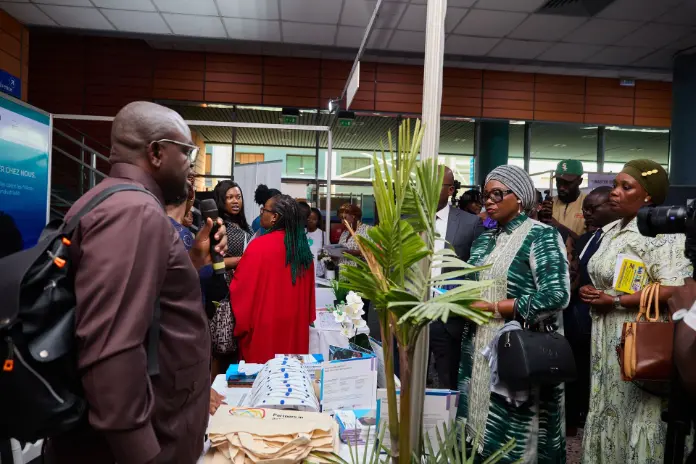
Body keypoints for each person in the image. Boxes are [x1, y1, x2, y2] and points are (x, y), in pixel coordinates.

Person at [45, 101, 228, 464]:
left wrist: (192, 262)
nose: (191, 165)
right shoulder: (136, 212)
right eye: (186, 152)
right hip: (145, 441)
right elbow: (111, 349)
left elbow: (142, 300)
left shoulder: (109, 199)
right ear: (156, 152)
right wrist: (141, 453)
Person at [578, 160, 692, 463]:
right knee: (607, 404)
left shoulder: (663, 234)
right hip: (606, 337)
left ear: (648, 196)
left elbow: (676, 289)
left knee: (638, 410)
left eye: (625, 187)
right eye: (615, 185)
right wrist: (591, 291)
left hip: (640, 335)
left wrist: (616, 301)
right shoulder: (611, 230)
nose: (614, 192)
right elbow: (606, 278)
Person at [457, 164, 570, 463]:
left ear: (519, 197)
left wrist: (496, 308)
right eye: (485, 195)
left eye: (497, 194)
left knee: (515, 439)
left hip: (517, 351)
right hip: (478, 348)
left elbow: (556, 296)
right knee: (478, 429)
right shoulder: (484, 239)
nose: (488, 201)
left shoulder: (541, 236)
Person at [230, 194, 315, 363]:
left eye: (264, 210)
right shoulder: (302, 250)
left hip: (265, 328)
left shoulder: (259, 246)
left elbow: (241, 291)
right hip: (294, 327)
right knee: (291, 374)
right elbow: (309, 302)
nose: (261, 213)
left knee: (264, 374)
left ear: (275, 217)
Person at [563, 186, 618, 436]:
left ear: (611, 206)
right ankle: (573, 415)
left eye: (592, 208)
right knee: (574, 366)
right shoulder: (586, 239)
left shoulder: (618, 240)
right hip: (577, 315)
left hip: (605, 314)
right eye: (585, 209)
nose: (586, 213)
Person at [430, 167, 485, 390]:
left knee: (448, 382)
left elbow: (476, 270)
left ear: (450, 190)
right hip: (412, 315)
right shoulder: (409, 220)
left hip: (448, 318)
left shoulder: (470, 223)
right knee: (407, 381)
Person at [540, 159, 587, 240]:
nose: (561, 187)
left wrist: (556, 225)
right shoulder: (549, 204)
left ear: (580, 181)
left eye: (567, 183)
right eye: (558, 182)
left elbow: (591, 242)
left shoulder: (589, 203)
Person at [214, 180, 253, 273]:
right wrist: (243, 260)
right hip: (225, 279)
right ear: (221, 200)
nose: (235, 201)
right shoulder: (216, 225)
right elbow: (209, 262)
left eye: (238, 197)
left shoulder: (245, 225)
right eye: (230, 197)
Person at [338, 204, 371, 270]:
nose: (342, 222)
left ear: (353, 216)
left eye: (344, 218)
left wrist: (354, 252)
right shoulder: (344, 233)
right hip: (343, 274)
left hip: (359, 274)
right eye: (341, 219)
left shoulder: (368, 230)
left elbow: (374, 253)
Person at [307, 207, 325, 277]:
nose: (311, 221)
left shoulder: (323, 234)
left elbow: (327, 253)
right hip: (304, 270)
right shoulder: (301, 233)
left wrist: (317, 257)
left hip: (318, 271)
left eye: (314, 219)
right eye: (309, 218)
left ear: (318, 221)